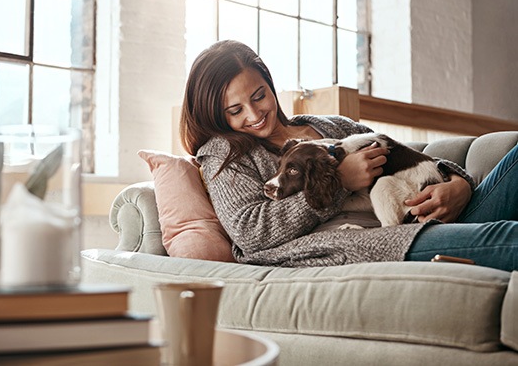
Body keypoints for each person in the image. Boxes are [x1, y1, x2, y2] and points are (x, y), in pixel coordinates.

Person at [180, 39, 517, 271]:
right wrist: (340, 181)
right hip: (388, 239)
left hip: (435, 207)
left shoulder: (330, 124)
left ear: (269, 83)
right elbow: (251, 233)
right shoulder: (224, 153)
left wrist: (459, 184)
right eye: (235, 110)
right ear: (216, 114)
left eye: (259, 96)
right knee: (509, 237)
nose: (254, 114)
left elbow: (400, 154)